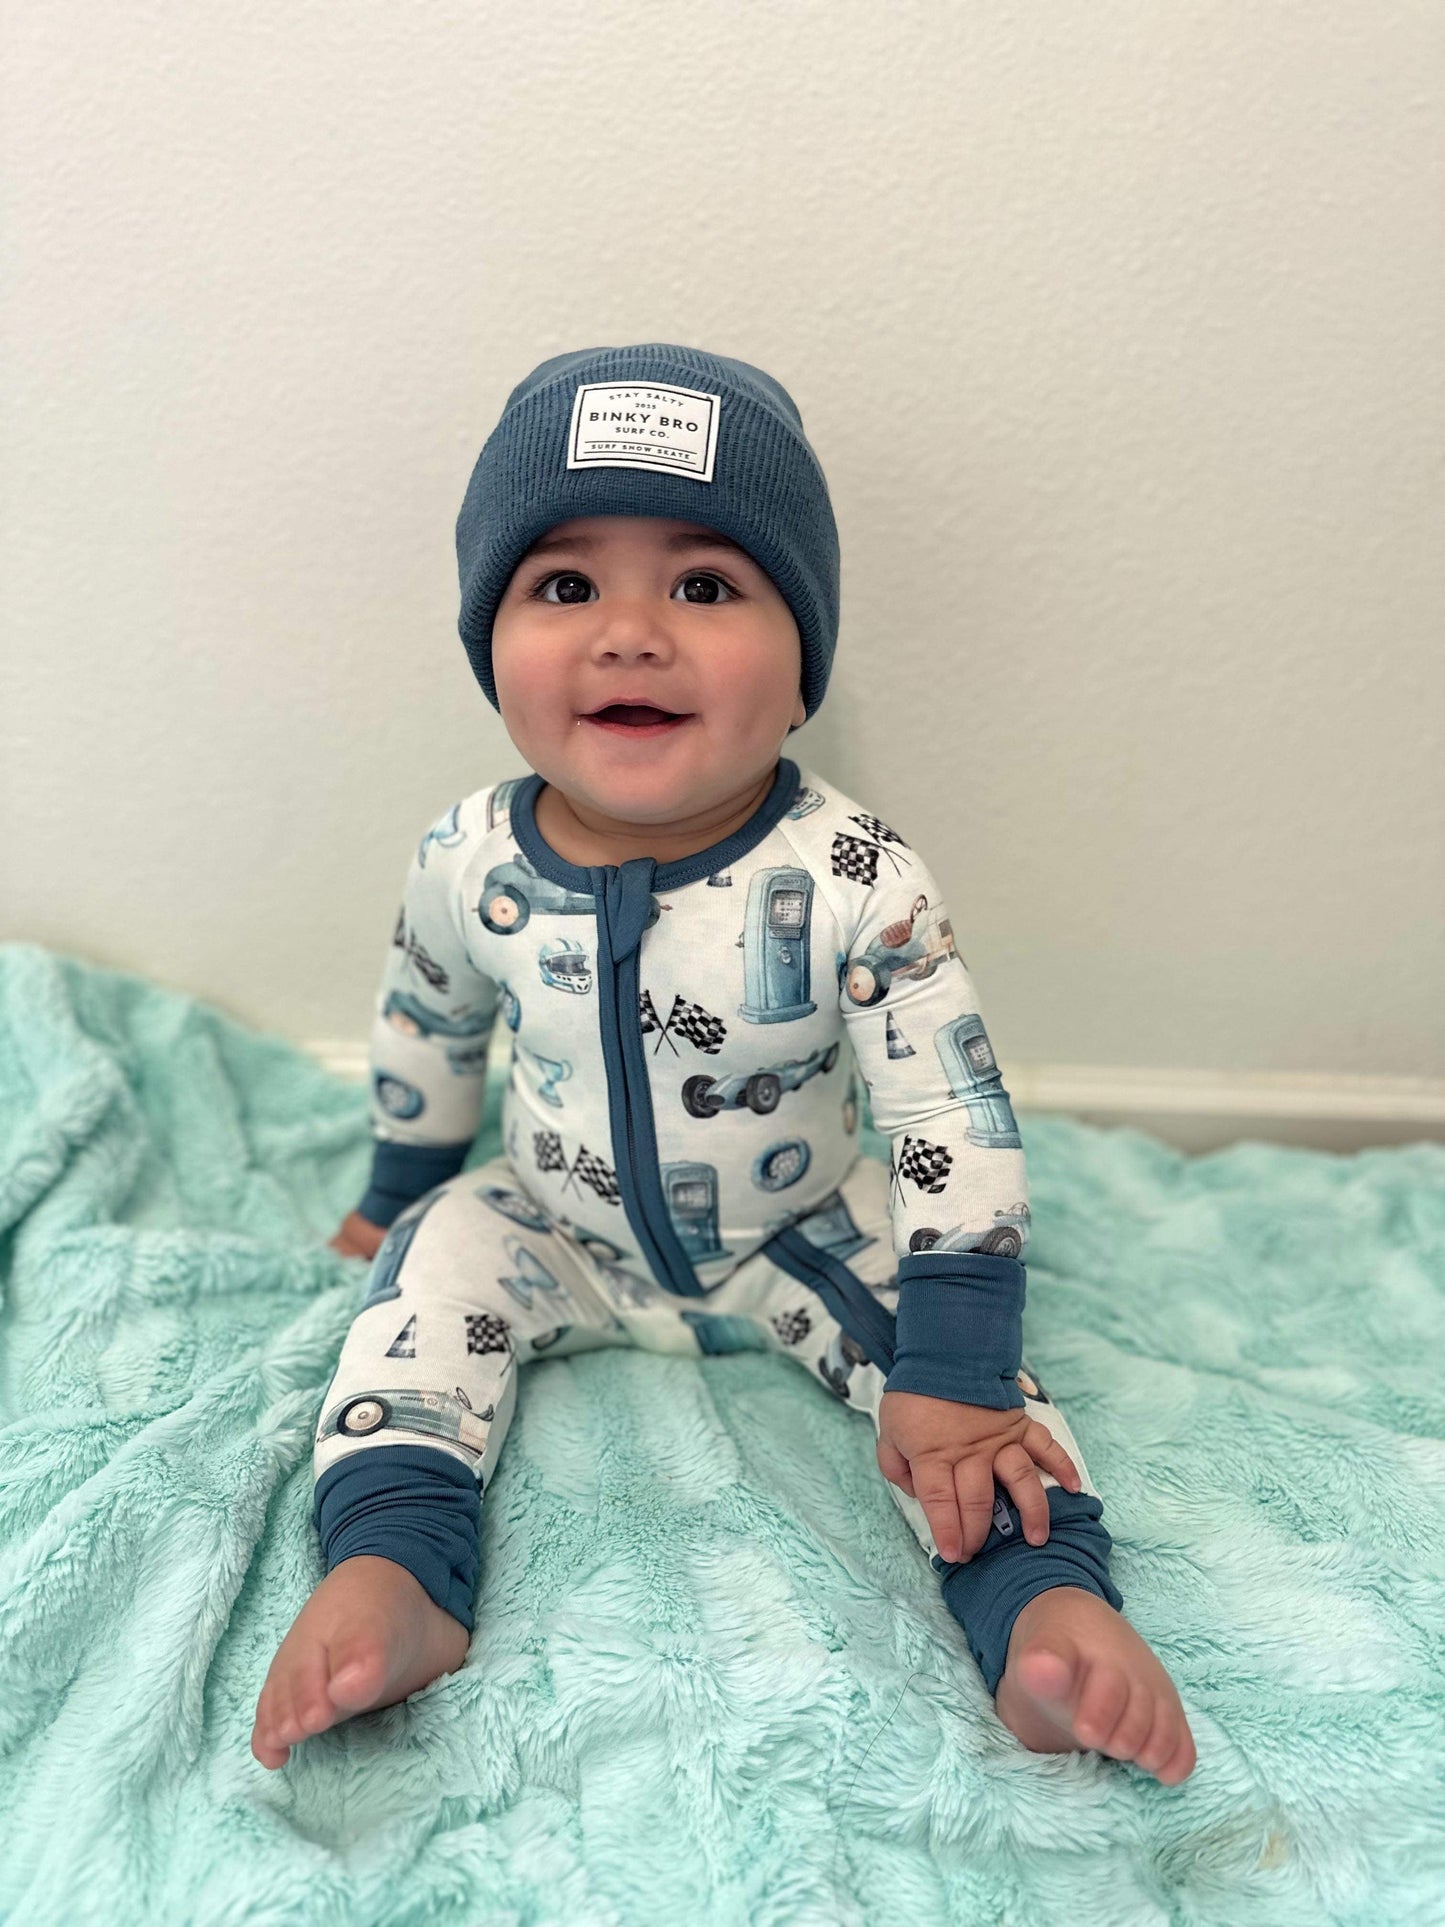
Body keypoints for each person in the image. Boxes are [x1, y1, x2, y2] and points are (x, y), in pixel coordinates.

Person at [250, 344, 1196, 1785]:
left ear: (803, 660)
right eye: (564, 586)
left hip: (798, 1226)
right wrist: (396, 1187)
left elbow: (947, 1110)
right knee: (414, 1306)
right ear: (489, 645)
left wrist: (952, 1360)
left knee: (975, 1399)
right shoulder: (468, 857)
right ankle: (396, 1570)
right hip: (549, 1224)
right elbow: (427, 1020)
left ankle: (1040, 1611)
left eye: (703, 586)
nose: (630, 635)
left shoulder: (855, 877)